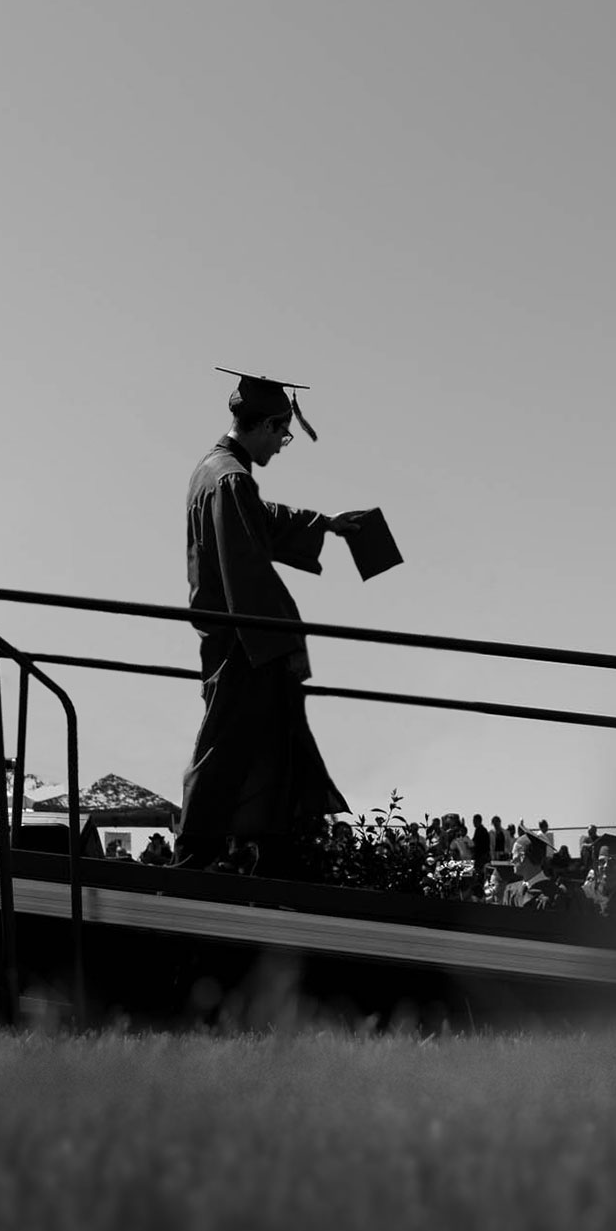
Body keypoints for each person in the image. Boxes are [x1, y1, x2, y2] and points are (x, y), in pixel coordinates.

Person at [175, 371, 381, 878]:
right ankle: (193, 860)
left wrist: (323, 524)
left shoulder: (216, 471)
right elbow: (246, 565)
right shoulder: (231, 478)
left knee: (264, 743)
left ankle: (271, 855)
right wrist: (282, 638)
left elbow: (258, 519)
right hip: (245, 639)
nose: (284, 445)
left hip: (235, 636)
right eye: (283, 433)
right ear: (264, 424)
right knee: (228, 746)